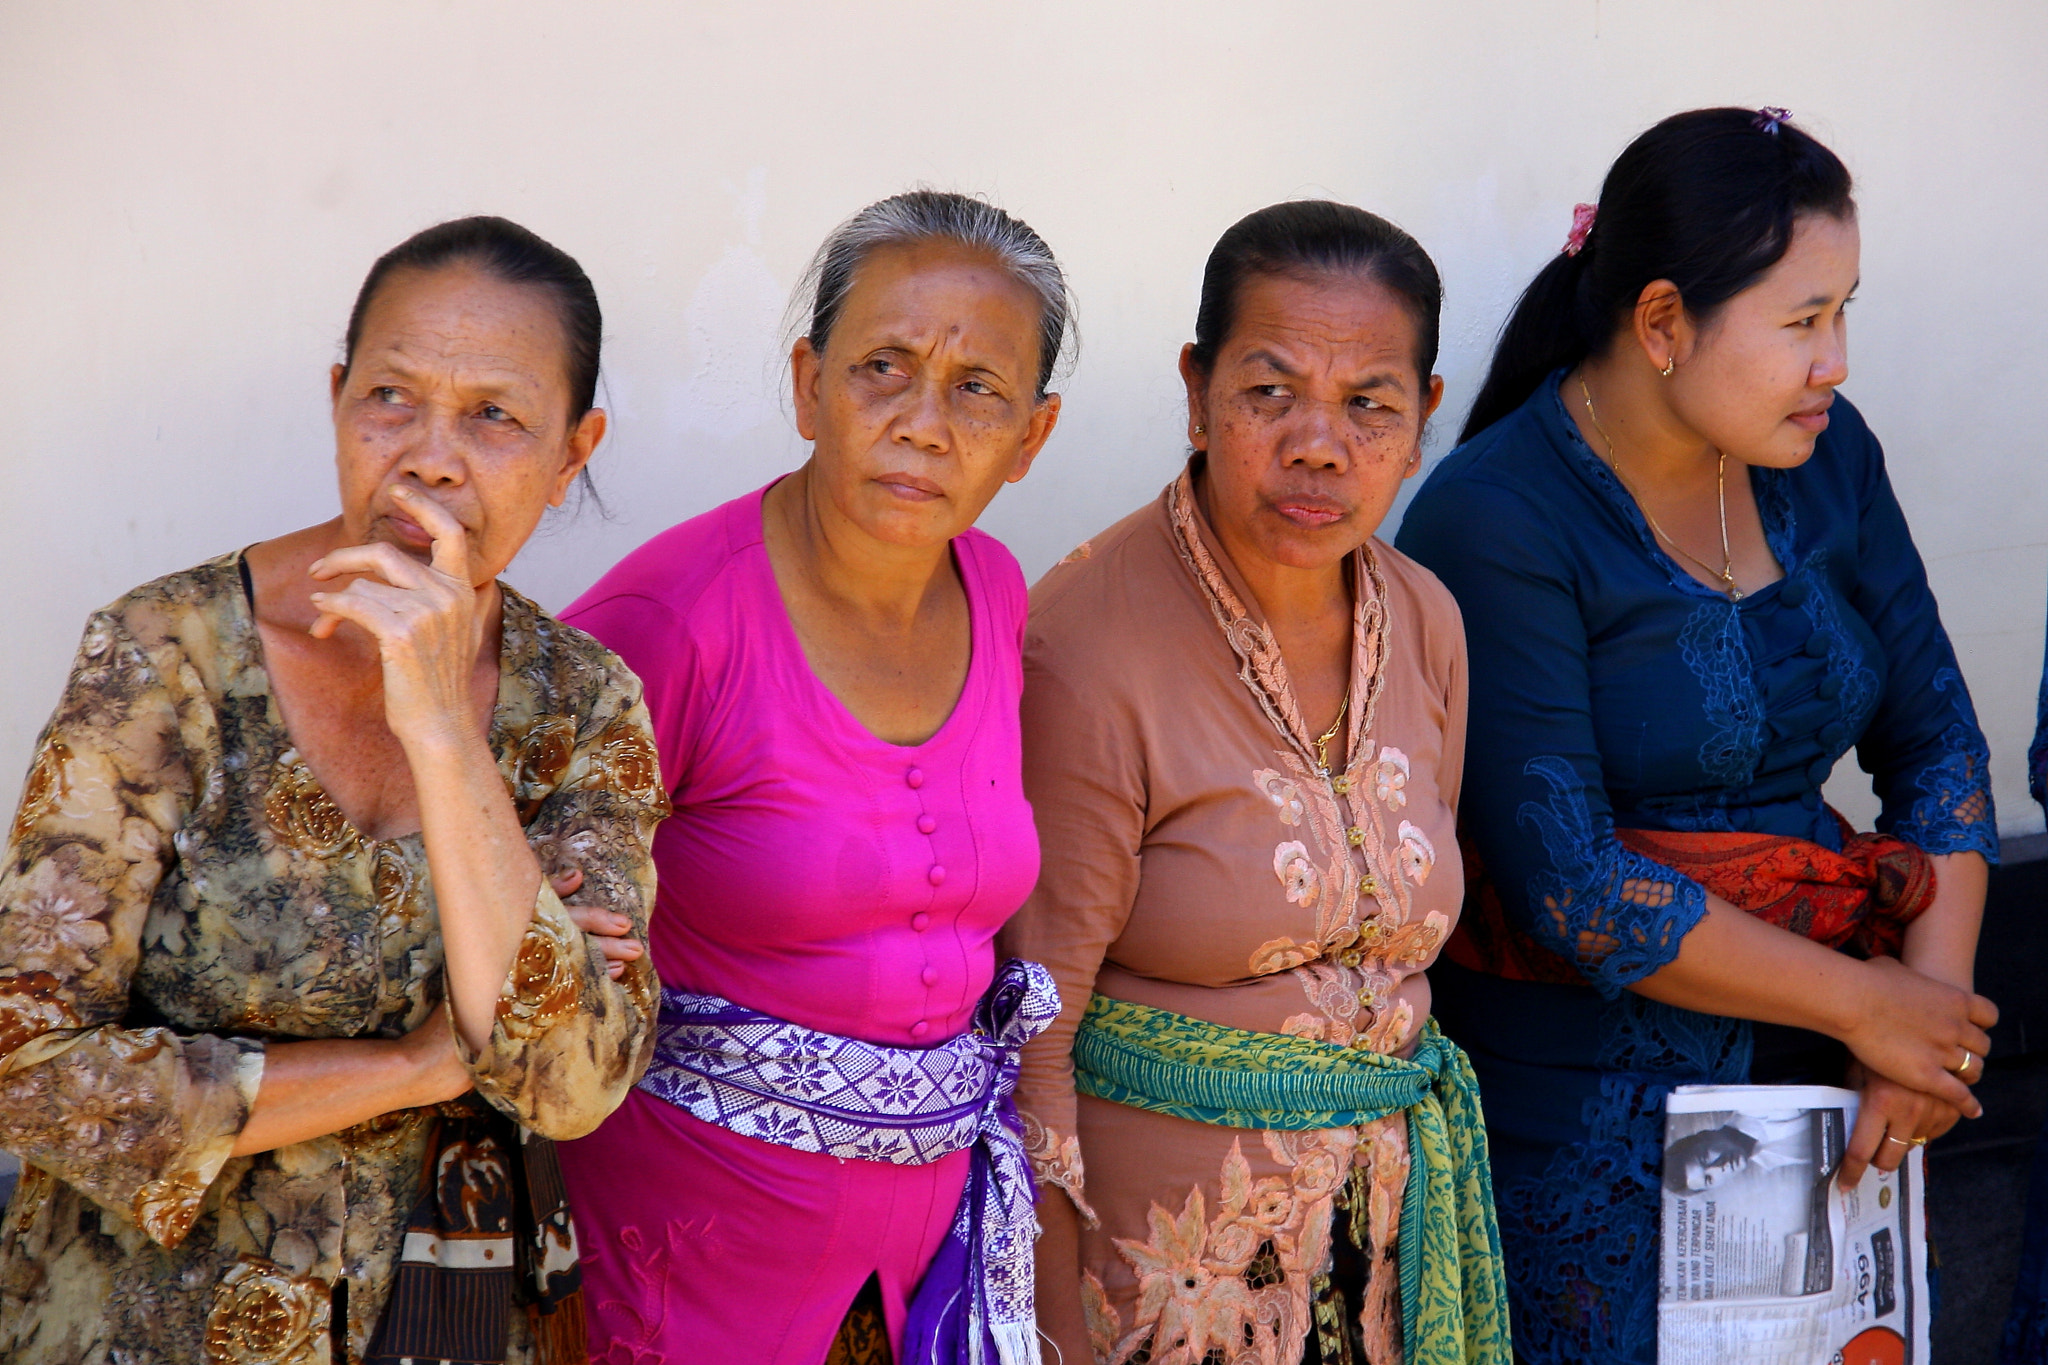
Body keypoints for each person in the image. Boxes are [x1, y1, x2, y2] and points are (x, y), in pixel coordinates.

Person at [0, 216, 664, 1365]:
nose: (430, 455)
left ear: (573, 452)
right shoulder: (167, 659)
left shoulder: (582, 707)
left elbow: (568, 1080)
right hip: (140, 1327)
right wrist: (420, 1063)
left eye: (496, 416)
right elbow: (29, 1066)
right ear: (337, 397)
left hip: (444, 1325)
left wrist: (444, 729)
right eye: (391, 398)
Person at [1395, 108, 1999, 1365]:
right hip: (1587, 1117)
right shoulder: (1495, 517)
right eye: (1797, 321)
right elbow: (1573, 885)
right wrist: (1870, 1007)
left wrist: (1922, 1032)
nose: (1832, 360)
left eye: (1843, 312)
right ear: (1661, 323)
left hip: (1840, 1087)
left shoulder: (1828, 463)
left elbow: (1937, 746)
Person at [554, 191, 1069, 1365]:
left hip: (922, 1268)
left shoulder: (995, 590)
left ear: (1031, 439)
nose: (922, 423)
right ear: (808, 387)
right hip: (693, 1257)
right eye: (881, 366)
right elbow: (537, 965)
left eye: (976, 388)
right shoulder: (669, 626)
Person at [1004, 201, 1508, 1365]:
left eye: (1368, 404)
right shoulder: (1084, 646)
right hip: (1163, 1275)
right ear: (1195, 389)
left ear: (1424, 416)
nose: (1317, 445)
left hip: (1385, 1249)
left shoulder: (1425, 617)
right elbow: (1032, 1022)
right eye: (1268, 392)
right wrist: (1051, 1313)